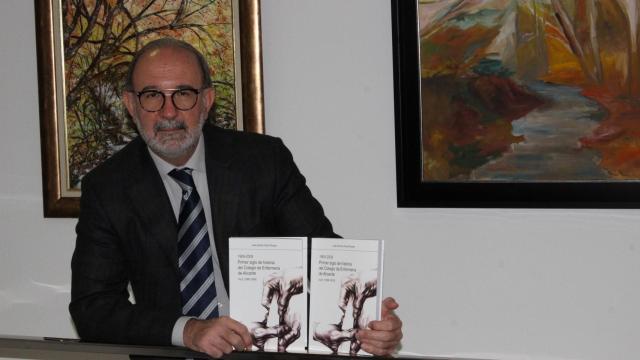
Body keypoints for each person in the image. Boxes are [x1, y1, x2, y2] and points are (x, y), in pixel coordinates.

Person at [69, 38, 402, 358]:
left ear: (207, 99)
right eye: (152, 96)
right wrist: (187, 330)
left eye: (183, 94)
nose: (168, 112)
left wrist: (370, 321)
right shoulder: (109, 187)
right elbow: (92, 308)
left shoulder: (262, 162)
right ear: (130, 104)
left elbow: (324, 258)